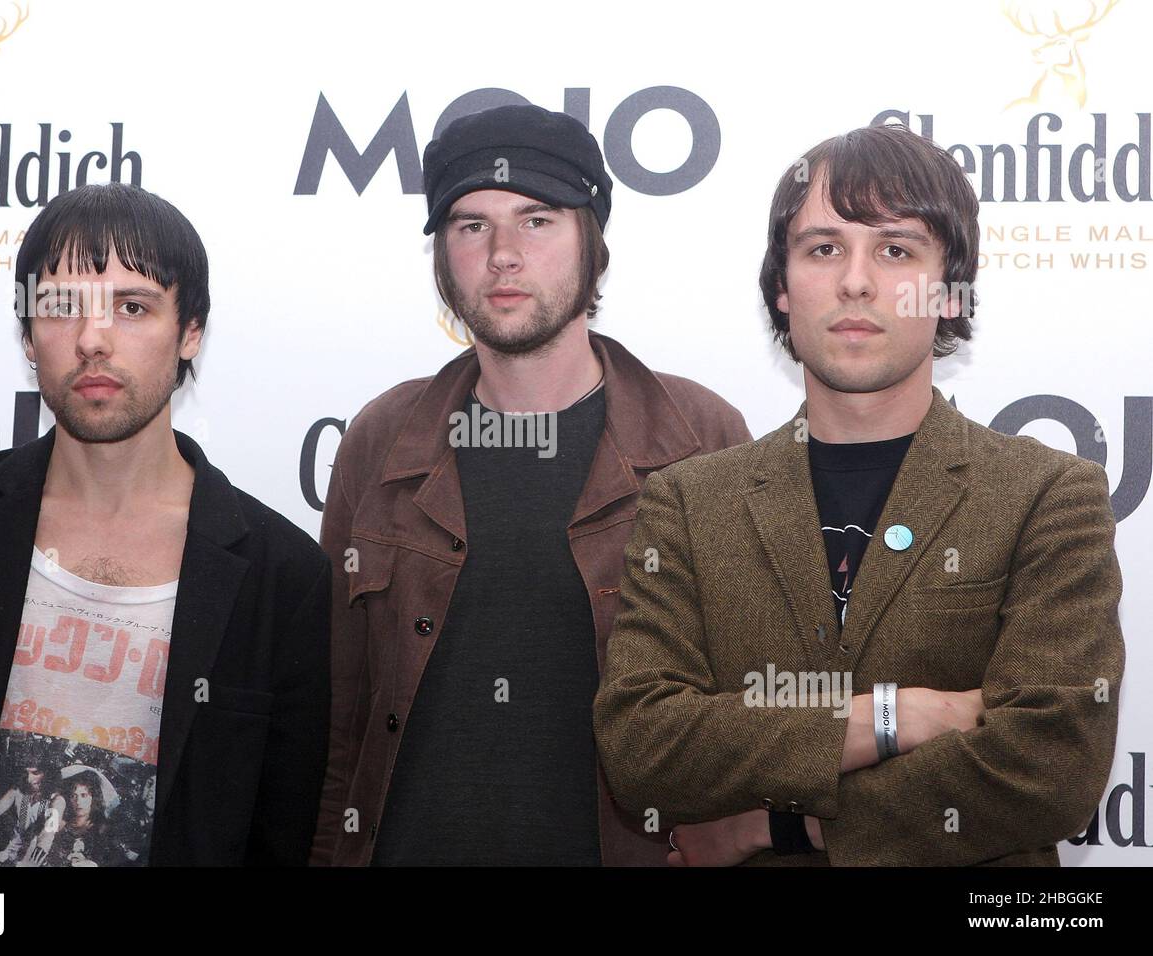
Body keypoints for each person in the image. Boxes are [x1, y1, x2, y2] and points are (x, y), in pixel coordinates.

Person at [593, 124, 1124, 866]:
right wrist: (891, 717)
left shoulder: (1046, 495)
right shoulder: (688, 502)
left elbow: (1051, 768)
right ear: (782, 288)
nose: (856, 281)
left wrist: (776, 825)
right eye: (824, 248)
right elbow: (643, 747)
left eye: (896, 250)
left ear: (950, 291)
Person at [310, 104, 751, 866]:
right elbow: (335, 716)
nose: (503, 255)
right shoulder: (382, 440)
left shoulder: (700, 439)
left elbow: (746, 716)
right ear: (443, 256)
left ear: (593, 244)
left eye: (538, 220)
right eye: (471, 225)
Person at [0, 182, 330, 865]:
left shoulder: (282, 576)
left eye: (132, 307)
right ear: (27, 332)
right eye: (60, 306)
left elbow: (278, 833)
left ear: (190, 330)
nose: (91, 339)